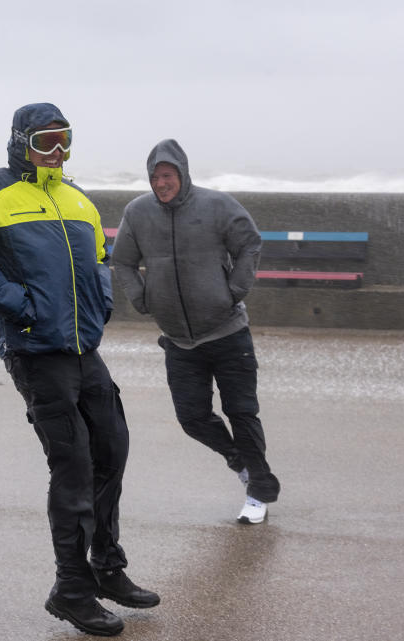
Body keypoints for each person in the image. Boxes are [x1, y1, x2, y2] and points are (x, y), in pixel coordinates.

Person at [0, 102, 159, 637]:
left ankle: (106, 569)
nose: (57, 151)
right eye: (46, 141)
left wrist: (101, 304)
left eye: (64, 140)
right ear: (22, 141)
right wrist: (22, 307)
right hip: (36, 350)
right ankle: (71, 589)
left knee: (112, 448)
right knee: (72, 464)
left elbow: (99, 259)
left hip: (83, 347)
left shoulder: (77, 198)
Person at [111, 139, 281, 524]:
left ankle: (258, 492)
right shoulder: (137, 213)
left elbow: (250, 244)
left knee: (241, 412)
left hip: (227, 333)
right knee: (192, 418)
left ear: (182, 175)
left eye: (167, 176)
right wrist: (141, 299)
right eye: (155, 177)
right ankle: (242, 462)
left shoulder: (217, 206)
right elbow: (121, 260)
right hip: (178, 340)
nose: (161, 184)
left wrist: (232, 291)